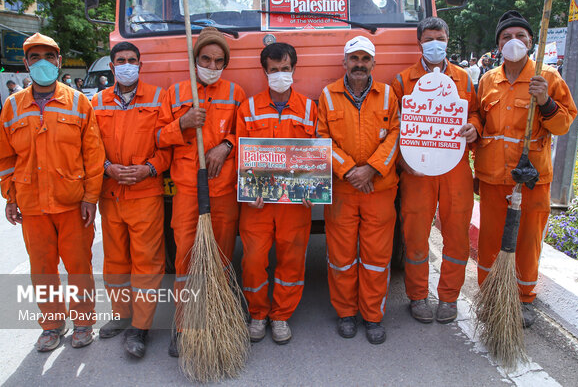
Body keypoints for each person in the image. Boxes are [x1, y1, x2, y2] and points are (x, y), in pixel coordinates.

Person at [0, 32, 105, 351]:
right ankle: (52, 326)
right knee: (42, 270)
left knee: (79, 267)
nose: (42, 62)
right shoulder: (13, 107)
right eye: (35, 57)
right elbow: (4, 159)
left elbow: (93, 155)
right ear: (26, 63)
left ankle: (83, 322)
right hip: (31, 206)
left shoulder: (79, 102)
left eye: (49, 56)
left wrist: (89, 198)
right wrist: (10, 198)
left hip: (72, 204)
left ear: (59, 61)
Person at [470, 11, 577, 327]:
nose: (513, 41)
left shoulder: (547, 78)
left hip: (531, 179)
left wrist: (544, 101)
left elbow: (562, 125)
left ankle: (524, 299)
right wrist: (472, 130)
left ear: (531, 42)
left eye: (520, 36)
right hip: (493, 178)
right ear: (498, 45)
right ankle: (491, 296)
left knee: (527, 242)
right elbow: (479, 118)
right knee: (490, 242)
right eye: (506, 37)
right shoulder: (489, 80)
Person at [156, 27, 245, 357]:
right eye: (206, 58)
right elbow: (159, 137)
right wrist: (182, 123)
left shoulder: (236, 93)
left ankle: (217, 321)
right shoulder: (176, 92)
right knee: (185, 260)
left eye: (219, 60)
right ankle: (183, 326)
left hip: (222, 191)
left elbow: (244, 132)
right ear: (195, 61)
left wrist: (225, 145)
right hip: (188, 191)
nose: (212, 64)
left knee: (220, 259)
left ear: (226, 63)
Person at [391, 17, 478, 324]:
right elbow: (393, 127)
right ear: (419, 43)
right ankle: (417, 297)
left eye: (439, 37)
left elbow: (478, 114)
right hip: (417, 172)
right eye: (429, 38)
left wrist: (474, 128)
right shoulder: (403, 81)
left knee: (457, 236)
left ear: (447, 39)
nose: (435, 43)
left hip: (455, 169)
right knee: (415, 235)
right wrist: (403, 163)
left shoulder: (464, 78)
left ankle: (449, 298)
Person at [317, 36, 400, 344]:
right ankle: (346, 313)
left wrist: (372, 169)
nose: (360, 65)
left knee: (376, 258)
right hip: (343, 189)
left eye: (366, 60)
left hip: (379, 189)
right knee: (341, 257)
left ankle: (373, 316)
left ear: (373, 64)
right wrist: (351, 171)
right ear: (345, 63)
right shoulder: (327, 95)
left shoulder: (389, 95)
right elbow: (322, 138)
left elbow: (396, 134)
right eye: (355, 59)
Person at [91, 42, 170, 358]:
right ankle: (121, 314)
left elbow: (167, 145)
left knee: (145, 264)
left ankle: (140, 327)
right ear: (112, 67)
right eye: (120, 60)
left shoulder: (157, 98)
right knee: (115, 263)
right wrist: (107, 168)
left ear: (141, 64)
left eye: (132, 60)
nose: (126, 65)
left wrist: (148, 169)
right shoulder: (96, 102)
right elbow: (90, 148)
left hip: (145, 194)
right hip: (110, 195)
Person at [236, 43, 318, 345]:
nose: (280, 74)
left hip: (296, 203)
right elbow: (241, 156)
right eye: (274, 70)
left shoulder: (310, 108)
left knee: (292, 260)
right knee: (253, 261)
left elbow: (317, 155)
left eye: (285, 69)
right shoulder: (249, 108)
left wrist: (315, 188)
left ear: (293, 70)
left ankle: (281, 315)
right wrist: (246, 189)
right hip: (258, 202)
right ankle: (258, 314)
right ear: (265, 72)